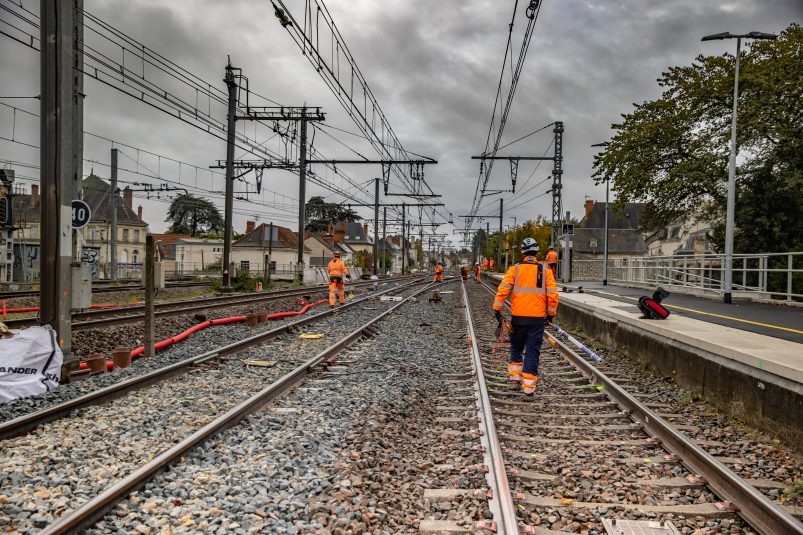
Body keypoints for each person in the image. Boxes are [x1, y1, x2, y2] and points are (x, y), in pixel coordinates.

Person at [493, 238, 558, 396]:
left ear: (522, 252)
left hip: (518, 319)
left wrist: (497, 310)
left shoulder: (515, 269)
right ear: (537, 252)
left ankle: (515, 379)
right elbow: (553, 296)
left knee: (516, 347)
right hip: (537, 320)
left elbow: (503, 290)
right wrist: (550, 315)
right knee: (532, 352)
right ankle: (528, 389)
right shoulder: (546, 271)